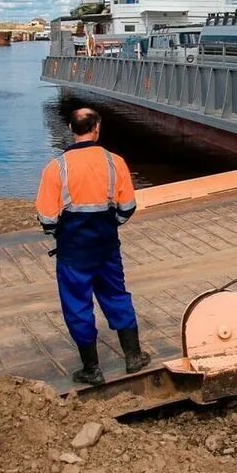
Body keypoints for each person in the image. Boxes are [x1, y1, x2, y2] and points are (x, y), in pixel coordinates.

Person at [35, 107, 150, 386]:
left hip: (74, 250)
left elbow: (47, 218)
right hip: (106, 245)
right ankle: (133, 357)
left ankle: (92, 369)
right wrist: (110, 225)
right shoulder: (115, 162)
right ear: (96, 128)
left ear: (71, 130)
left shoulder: (56, 167)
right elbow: (128, 207)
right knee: (116, 295)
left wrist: (60, 233)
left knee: (77, 305)